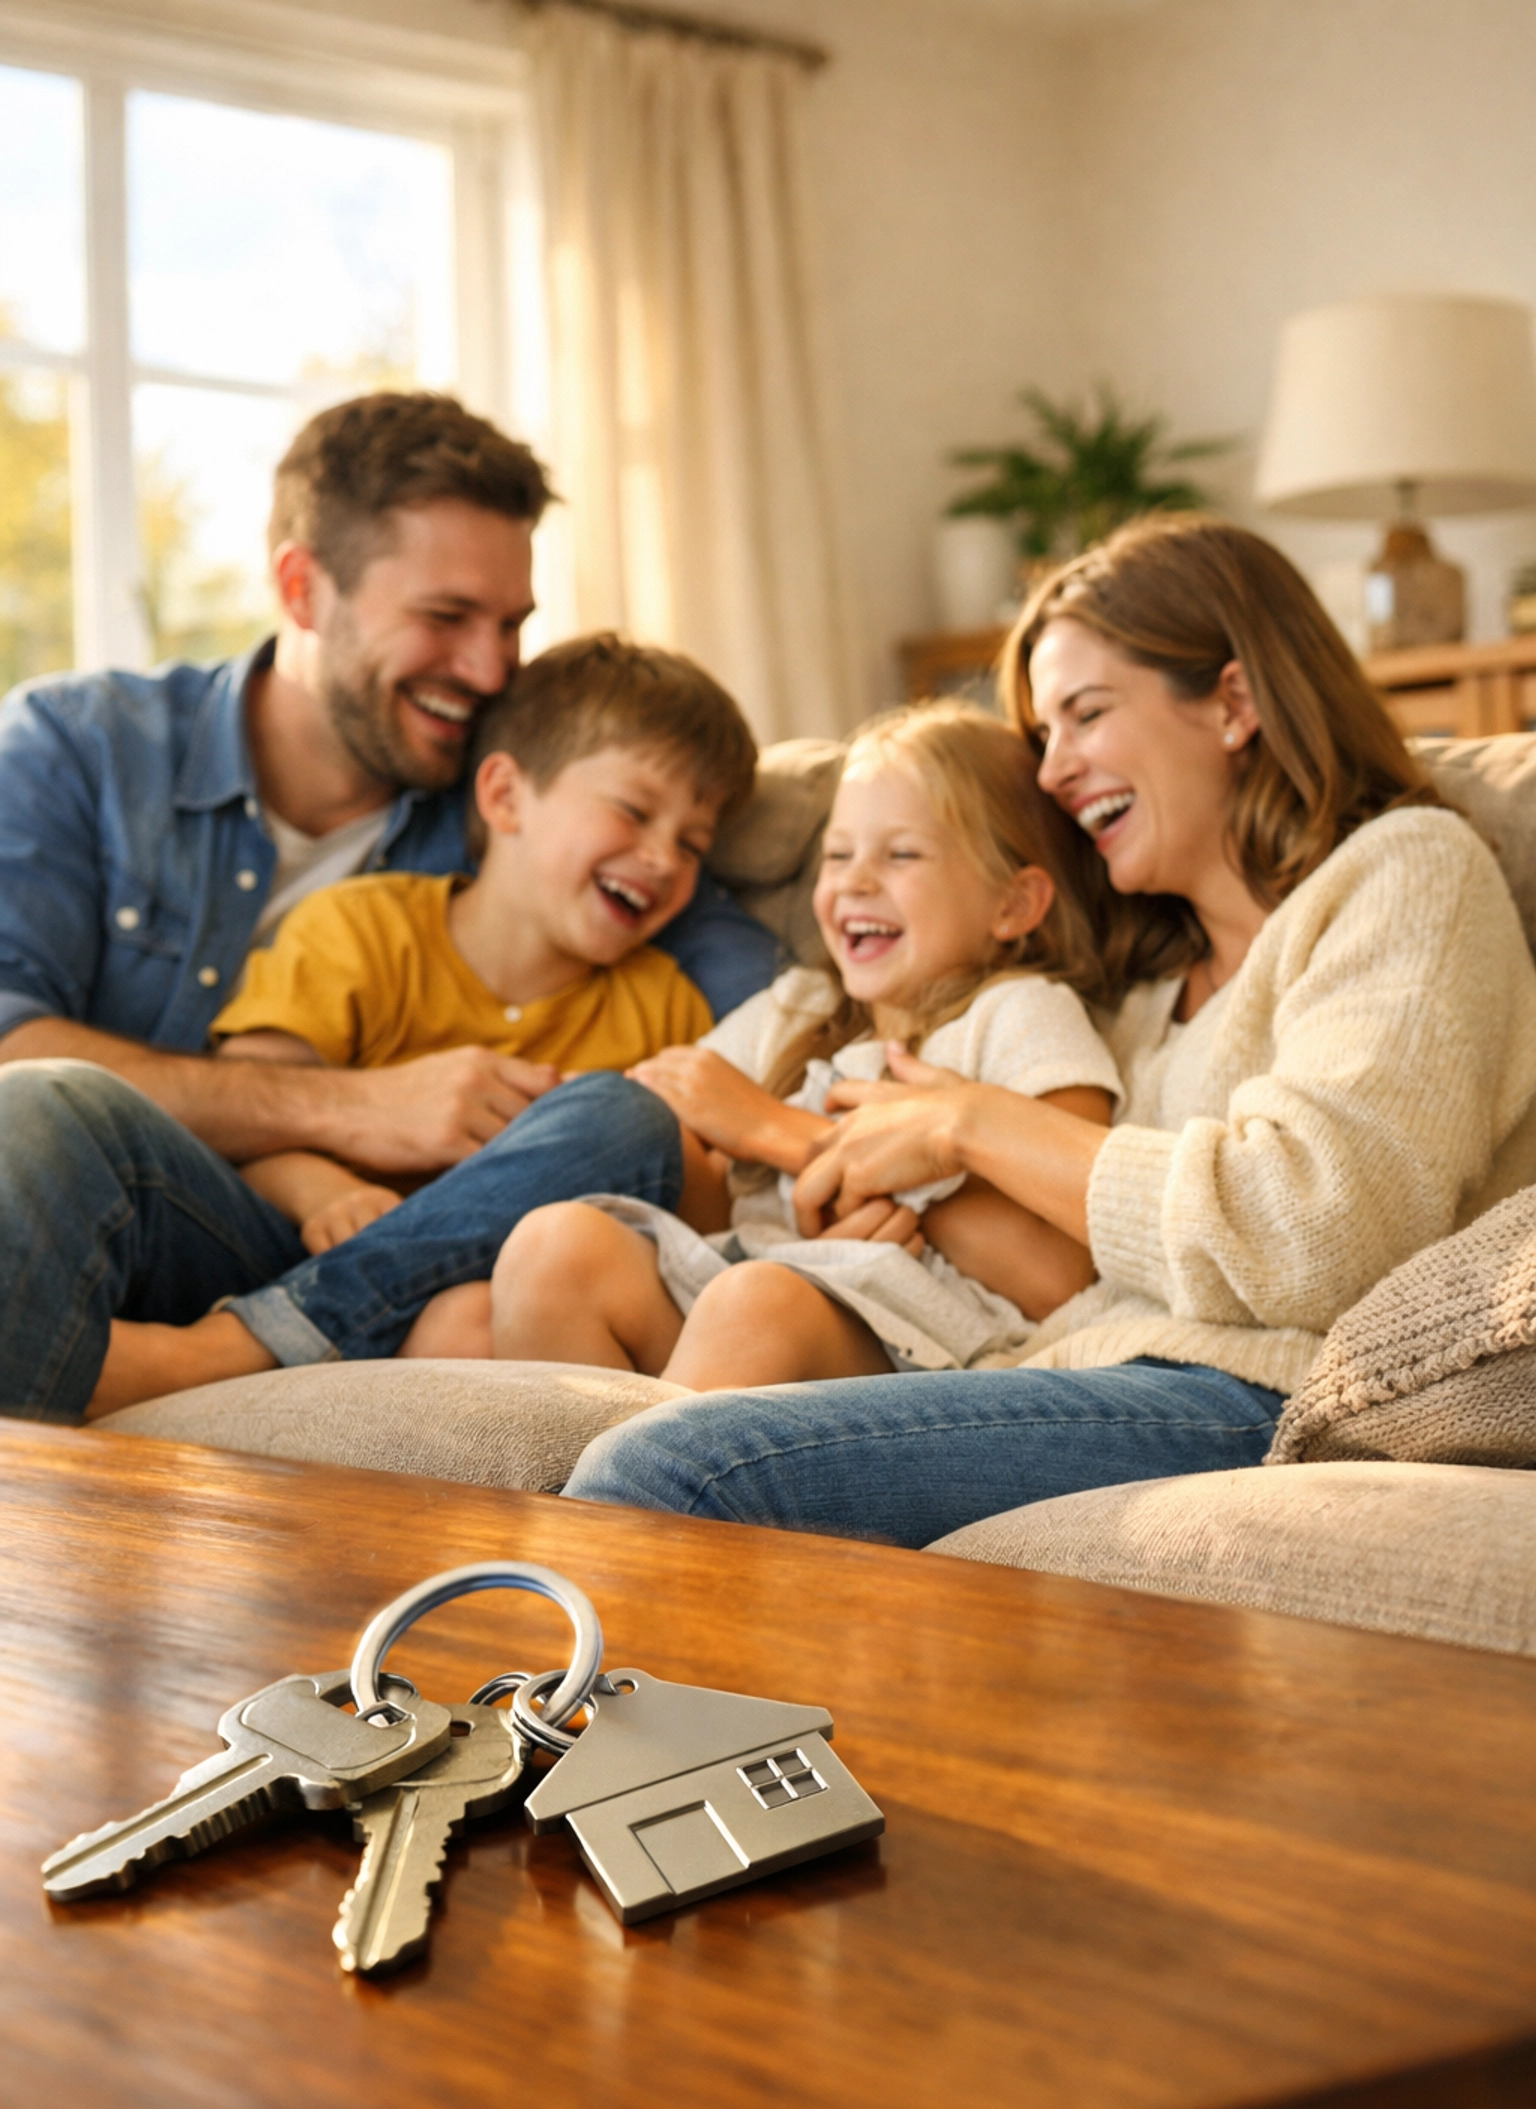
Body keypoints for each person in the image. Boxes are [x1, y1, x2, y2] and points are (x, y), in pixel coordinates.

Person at [563, 514, 1536, 1544]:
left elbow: (1320, 1232)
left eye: (1086, 714)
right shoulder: (1138, 986)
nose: (1055, 769)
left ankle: (514, 1702)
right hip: (1069, 1365)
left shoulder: (1406, 873)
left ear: (1234, 702)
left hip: (1263, 1390)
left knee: (674, 1466)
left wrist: (966, 1126)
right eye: (1043, 737)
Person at [0, 392, 776, 1420]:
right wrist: (362, 1108)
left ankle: (235, 1356)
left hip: (420, 1264)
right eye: (446, 618)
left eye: (511, 625)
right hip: (201, 1217)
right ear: (303, 588)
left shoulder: (521, 799)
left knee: (616, 1117)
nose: (492, 667)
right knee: (42, 1106)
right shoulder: (80, 747)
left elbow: (768, 1000)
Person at [86, 632, 756, 1415]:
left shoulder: (664, 1001)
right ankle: (257, 1340)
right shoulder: (360, 929)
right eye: (634, 811)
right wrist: (322, 1187)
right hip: (287, 1253)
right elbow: (247, 1119)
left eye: (693, 845)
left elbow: (700, 1224)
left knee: (612, 1129)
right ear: (504, 795)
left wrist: (620, 1134)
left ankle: (262, 1350)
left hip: (480, 1306)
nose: (662, 859)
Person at [470, 699, 1121, 1386]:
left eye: (901, 854)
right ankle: (578, 1494)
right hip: (758, 1286)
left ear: (1013, 905)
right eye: (838, 855)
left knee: (758, 1301)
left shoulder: (1019, 1013)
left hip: (929, 1345)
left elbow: (1059, 1275)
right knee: (554, 1248)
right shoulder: (799, 1005)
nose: (854, 881)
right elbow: (678, 1130)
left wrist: (785, 1136)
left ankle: (639, 1481)